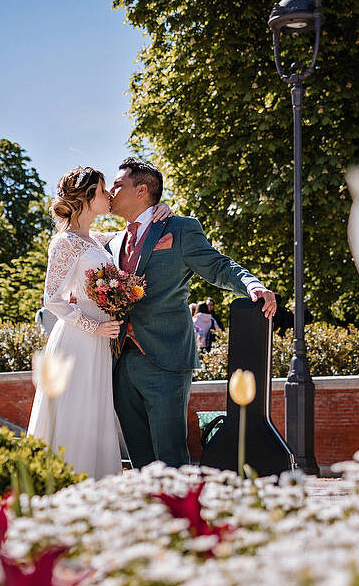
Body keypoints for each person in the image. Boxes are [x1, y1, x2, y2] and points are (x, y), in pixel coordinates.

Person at [106, 157, 276, 469]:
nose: (109, 191)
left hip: (166, 359)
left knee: (170, 459)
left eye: (117, 185)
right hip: (120, 362)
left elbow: (218, 265)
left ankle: (181, 515)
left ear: (141, 190)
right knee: (139, 458)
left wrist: (252, 285)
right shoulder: (111, 242)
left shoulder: (179, 229)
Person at [29, 168, 171, 478]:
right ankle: (66, 485)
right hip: (78, 340)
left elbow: (136, 233)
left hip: (101, 342)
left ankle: (94, 489)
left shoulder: (97, 240)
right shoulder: (64, 242)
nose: (109, 195)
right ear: (86, 197)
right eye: (103, 190)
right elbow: (51, 299)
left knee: (95, 414)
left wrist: (161, 208)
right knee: (74, 412)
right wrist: (94, 328)